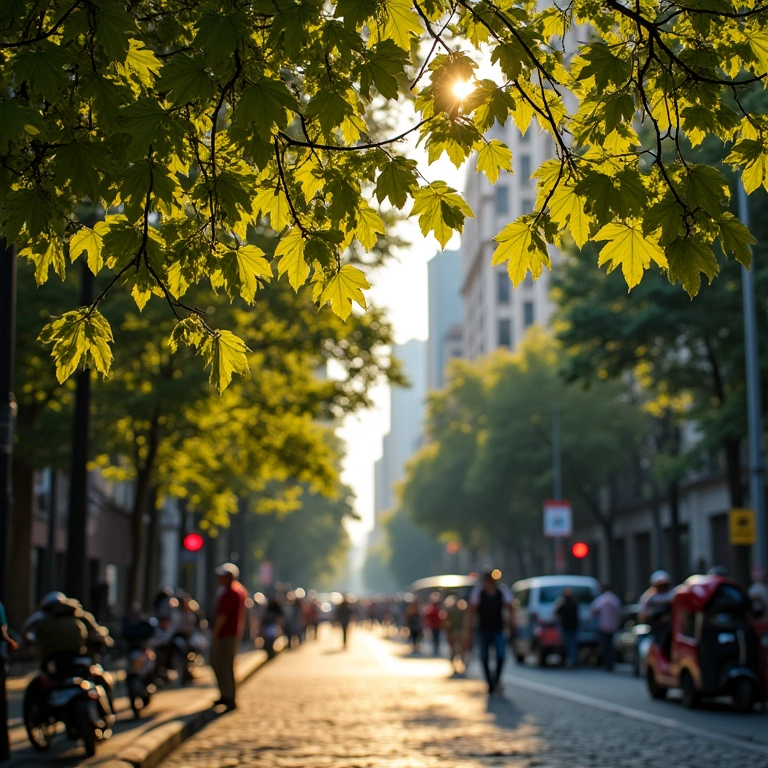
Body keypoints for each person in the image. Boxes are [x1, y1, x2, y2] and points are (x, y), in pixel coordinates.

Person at [468, 571, 513, 694]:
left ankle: (496, 680)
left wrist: (511, 624)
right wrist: (469, 631)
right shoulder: (478, 592)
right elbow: (471, 612)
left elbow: (510, 607)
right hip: (483, 630)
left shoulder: (502, 591)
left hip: (498, 629)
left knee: (501, 656)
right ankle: (489, 683)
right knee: (484, 657)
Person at [211, 563, 247, 710]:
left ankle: (229, 696)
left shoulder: (231, 592)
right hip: (230, 633)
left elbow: (222, 616)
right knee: (223, 664)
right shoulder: (236, 591)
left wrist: (215, 633)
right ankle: (226, 694)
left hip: (226, 634)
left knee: (223, 664)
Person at [590, 584, 622, 671]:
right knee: (611, 646)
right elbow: (619, 612)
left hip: (603, 626)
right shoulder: (615, 599)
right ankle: (611, 663)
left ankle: (607, 663)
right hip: (613, 626)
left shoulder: (601, 599)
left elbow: (593, 610)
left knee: (605, 646)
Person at [555, 588, 580, 667]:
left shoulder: (563, 603)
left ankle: (570, 659)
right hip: (573, 626)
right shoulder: (574, 603)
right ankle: (573, 658)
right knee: (572, 643)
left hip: (566, 626)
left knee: (569, 643)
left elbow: (556, 612)